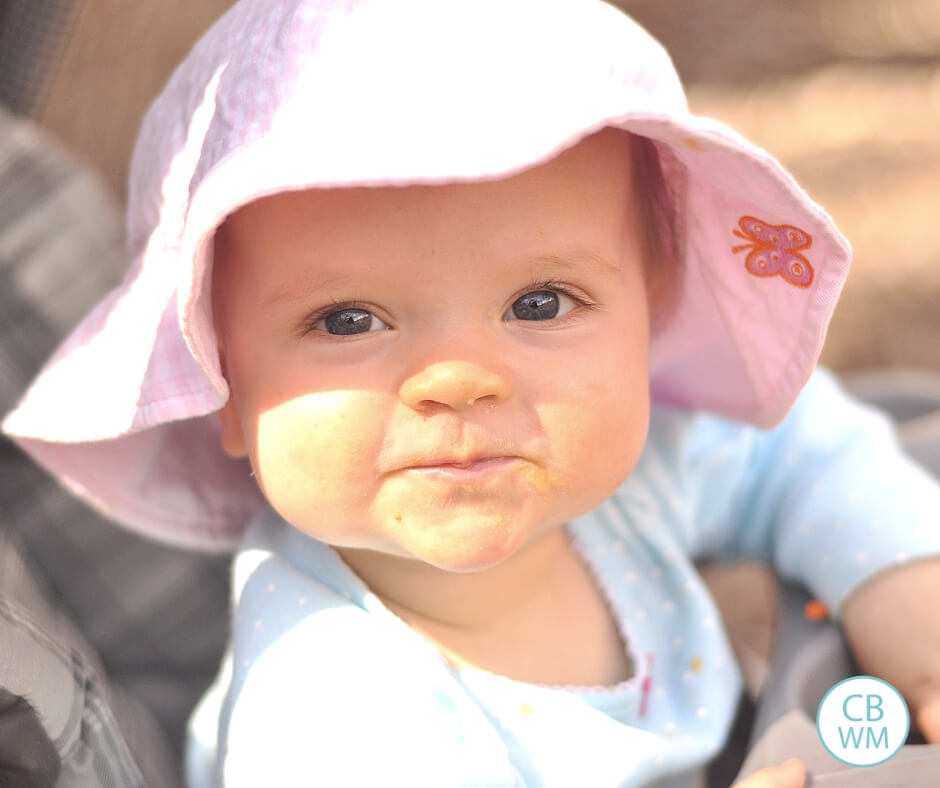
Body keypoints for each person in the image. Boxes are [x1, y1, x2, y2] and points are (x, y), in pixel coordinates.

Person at [4, 0, 940, 785]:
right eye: (346, 321)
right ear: (225, 390)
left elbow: (799, 446)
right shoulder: (336, 717)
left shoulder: (623, 485)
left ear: (645, 315)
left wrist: (895, 583)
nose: (460, 380)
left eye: (540, 302)